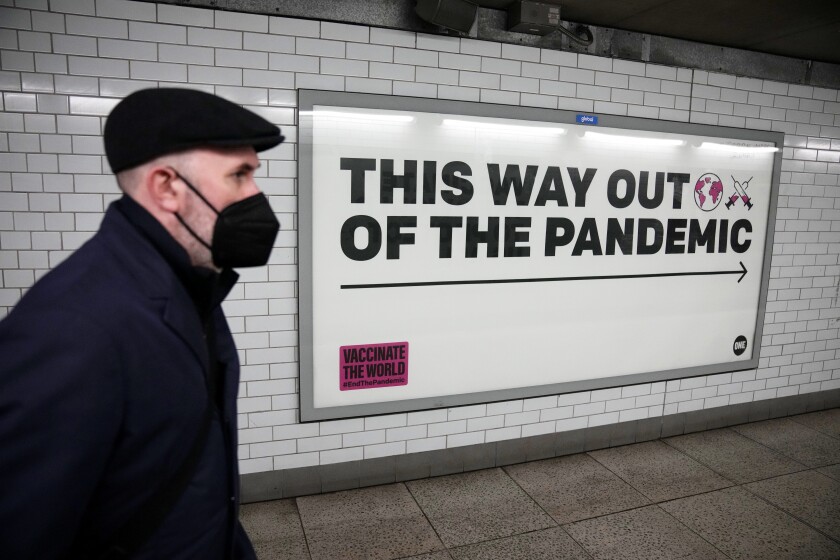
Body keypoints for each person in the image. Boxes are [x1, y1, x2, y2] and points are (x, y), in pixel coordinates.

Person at [0, 88, 284, 559]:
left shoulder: (191, 286)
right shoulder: (71, 328)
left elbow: (183, 478)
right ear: (166, 187)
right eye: (240, 175)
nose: (255, 195)